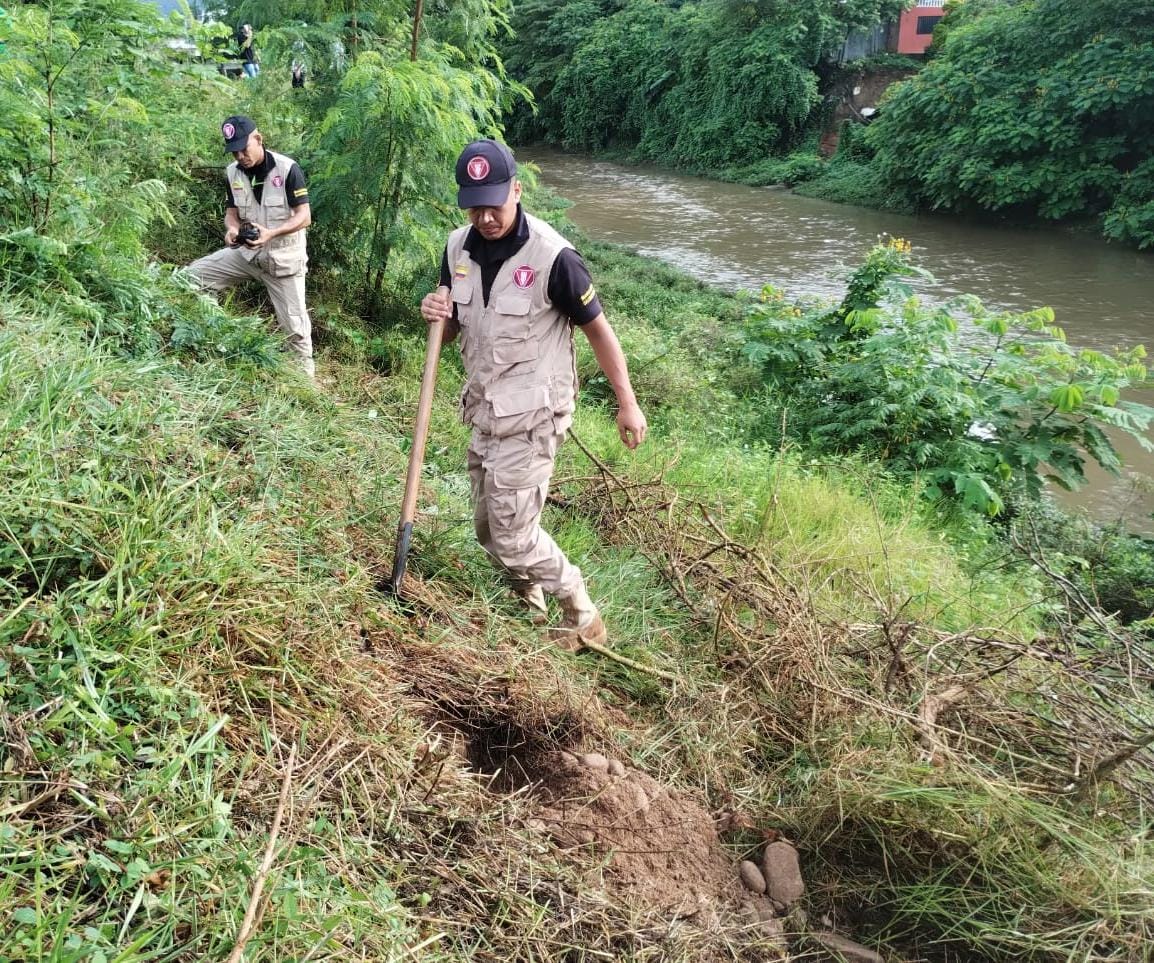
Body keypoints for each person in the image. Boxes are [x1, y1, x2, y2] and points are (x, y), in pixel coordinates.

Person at [419, 139, 648, 651]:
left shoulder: (554, 257)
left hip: (534, 415)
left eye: (494, 204)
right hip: (484, 408)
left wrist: (626, 402)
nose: (484, 217)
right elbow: (454, 327)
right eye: (474, 206)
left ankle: (580, 607)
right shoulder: (458, 249)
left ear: (517, 191)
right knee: (487, 525)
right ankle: (529, 601)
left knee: (514, 536)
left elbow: (599, 333)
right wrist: (438, 315)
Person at [188, 115, 315, 377]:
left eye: (244, 149)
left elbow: (304, 216)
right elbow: (231, 213)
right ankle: (203, 340)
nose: (240, 157)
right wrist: (232, 230)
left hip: (283, 261)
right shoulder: (232, 173)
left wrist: (272, 233)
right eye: (234, 152)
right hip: (246, 255)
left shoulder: (288, 169)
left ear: (258, 139)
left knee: (296, 331)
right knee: (189, 278)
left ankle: (306, 388)